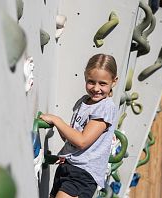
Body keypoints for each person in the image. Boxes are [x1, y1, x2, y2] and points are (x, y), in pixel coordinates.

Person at [40, 53, 119, 198]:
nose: (96, 88)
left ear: (114, 81)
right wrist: (68, 153)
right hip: (68, 167)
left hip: (84, 174)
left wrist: (57, 121)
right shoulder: (83, 102)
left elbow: (82, 141)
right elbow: (71, 137)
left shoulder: (105, 108)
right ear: (85, 78)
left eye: (102, 83)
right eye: (91, 82)